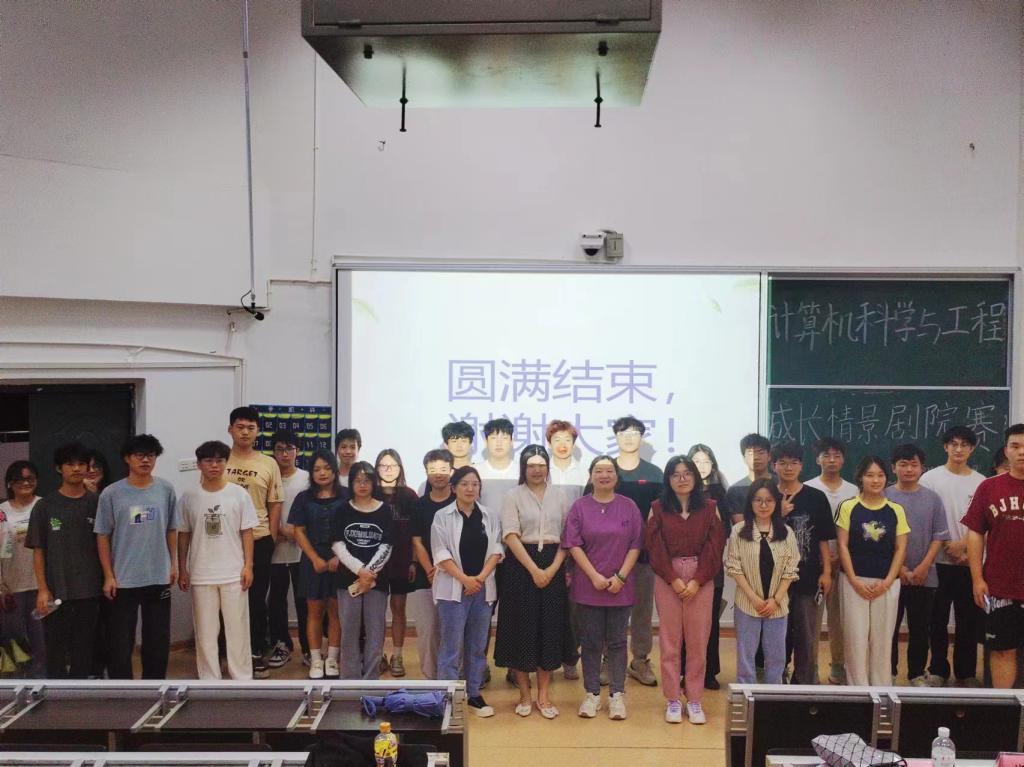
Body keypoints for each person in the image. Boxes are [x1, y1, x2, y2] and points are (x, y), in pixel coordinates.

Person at [494, 445, 575, 719]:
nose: (537, 470)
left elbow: (567, 537)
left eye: (541, 465)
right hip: (520, 565)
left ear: (548, 467)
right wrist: (533, 570)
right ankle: (524, 694)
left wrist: (551, 570)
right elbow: (510, 535)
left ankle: (544, 695)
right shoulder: (512, 495)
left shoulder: (561, 496)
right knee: (522, 628)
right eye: (531, 465)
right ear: (523, 468)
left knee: (549, 629)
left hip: (553, 563)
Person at [563, 456, 643, 721]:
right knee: (590, 642)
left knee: (618, 642)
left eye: (609, 471)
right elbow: (573, 544)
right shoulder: (579, 507)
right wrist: (594, 576)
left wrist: (620, 577)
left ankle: (617, 695)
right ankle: (592, 694)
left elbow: (635, 545)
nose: (604, 475)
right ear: (591, 475)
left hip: (621, 587)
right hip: (589, 587)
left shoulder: (629, 506)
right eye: (599, 471)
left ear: (617, 476)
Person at [646, 455, 725, 725]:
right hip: (667, 577)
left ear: (696, 477)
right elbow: (654, 548)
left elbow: (715, 547)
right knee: (670, 642)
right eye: (676, 474)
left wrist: (697, 580)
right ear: (668, 479)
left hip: (701, 578)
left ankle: (694, 699)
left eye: (687, 473)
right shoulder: (657, 508)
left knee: (698, 642)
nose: (682, 479)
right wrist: (673, 578)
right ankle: (672, 699)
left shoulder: (711, 507)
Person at [95, 434, 178, 679]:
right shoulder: (111, 493)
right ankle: (123, 690)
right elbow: (102, 535)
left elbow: (171, 529)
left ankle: (154, 687)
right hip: (123, 579)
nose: (145, 460)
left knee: (157, 640)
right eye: (139, 455)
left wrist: (173, 564)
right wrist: (108, 575)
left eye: (151, 455)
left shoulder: (165, 489)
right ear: (127, 458)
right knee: (120, 642)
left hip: (157, 576)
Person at [176, 440, 256, 680]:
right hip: (201, 573)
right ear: (199, 464)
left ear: (226, 463)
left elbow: (247, 532)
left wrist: (248, 565)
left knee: (238, 630)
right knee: (206, 632)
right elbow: (183, 534)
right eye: (208, 461)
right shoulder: (189, 497)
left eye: (219, 460)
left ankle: (242, 677)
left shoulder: (239, 494)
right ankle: (209, 679)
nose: (214, 465)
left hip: (234, 573)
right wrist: (183, 568)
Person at [26, 442, 104, 678]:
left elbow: (107, 545)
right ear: (59, 468)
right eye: (70, 464)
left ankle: (80, 693)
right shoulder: (44, 506)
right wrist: (42, 589)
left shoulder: (97, 503)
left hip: (90, 590)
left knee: (84, 649)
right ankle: (56, 694)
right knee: (55, 650)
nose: (77, 468)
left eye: (81, 464)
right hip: (56, 591)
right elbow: (38, 550)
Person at [432, 466, 503, 718]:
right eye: (464, 484)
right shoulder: (442, 516)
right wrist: (465, 580)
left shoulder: (489, 516)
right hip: (453, 590)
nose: (470, 488)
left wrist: (479, 579)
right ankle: (447, 697)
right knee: (451, 647)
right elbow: (440, 553)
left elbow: (497, 550)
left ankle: (473, 693)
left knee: (477, 646)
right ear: (453, 488)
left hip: (482, 590)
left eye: (475, 484)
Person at [920, 425, 985, 686]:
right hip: (937, 561)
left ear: (972, 449)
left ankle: (966, 672)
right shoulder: (930, 479)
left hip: (970, 562)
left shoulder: (982, 482)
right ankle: (938, 669)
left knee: (968, 619)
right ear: (945, 447)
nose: (959, 449)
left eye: (964, 445)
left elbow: (983, 522)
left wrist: (964, 547)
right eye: (953, 444)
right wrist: (947, 544)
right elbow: (925, 518)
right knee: (936, 618)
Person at [836, 456, 909, 686]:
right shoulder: (848, 506)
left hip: (886, 583)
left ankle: (882, 688)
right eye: (869, 475)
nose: (875, 480)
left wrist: (888, 581)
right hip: (853, 582)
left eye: (880, 475)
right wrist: (854, 580)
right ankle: (857, 690)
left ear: (887, 478)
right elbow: (842, 546)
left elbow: (900, 548)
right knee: (855, 639)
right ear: (860, 478)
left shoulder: (896, 510)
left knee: (883, 640)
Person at [225, 405, 284, 679]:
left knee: (257, 599)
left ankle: (255, 651)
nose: (245, 432)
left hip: (259, 539)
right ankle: (228, 653)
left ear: (257, 431)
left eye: (251, 428)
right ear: (230, 429)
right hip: (225, 542)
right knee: (227, 599)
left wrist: (271, 536)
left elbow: (275, 502)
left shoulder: (268, 463)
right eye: (240, 427)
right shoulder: (219, 459)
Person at [963, 424, 1024, 689]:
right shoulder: (989, 487)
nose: (1021, 452)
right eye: (1015, 446)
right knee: (1002, 651)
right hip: (999, 586)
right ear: (1006, 451)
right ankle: (1004, 709)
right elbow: (975, 533)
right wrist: (977, 578)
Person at [885, 443, 949, 686]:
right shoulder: (884, 496)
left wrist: (924, 566)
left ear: (923, 468)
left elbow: (938, 537)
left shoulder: (932, 499)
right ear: (893, 468)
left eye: (914, 464)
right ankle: (888, 672)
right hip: (891, 576)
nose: (909, 469)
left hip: (925, 575)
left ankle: (916, 673)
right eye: (903, 464)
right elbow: (882, 538)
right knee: (888, 628)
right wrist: (899, 568)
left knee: (920, 629)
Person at [771, 441, 834, 685]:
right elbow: (756, 531)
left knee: (806, 633)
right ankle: (776, 679)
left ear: (801, 466)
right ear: (774, 466)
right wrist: (778, 514)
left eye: (794, 463)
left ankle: (805, 682)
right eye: (783, 463)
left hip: (808, 576)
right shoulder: (766, 496)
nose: (788, 468)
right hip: (773, 579)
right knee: (778, 633)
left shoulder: (816, 497)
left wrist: (826, 572)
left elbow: (823, 539)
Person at [727, 479, 800, 685]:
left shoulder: (786, 532)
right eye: (758, 500)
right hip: (747, 603)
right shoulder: (739, 531)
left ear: (776, 503)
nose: (763, 505)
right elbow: (734, 567)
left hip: (777, 605)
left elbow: (791, 570)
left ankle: (774, 694)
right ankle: (746, 693)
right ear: (750, 503)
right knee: (746, 655)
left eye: (769, 500)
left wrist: (775, 600)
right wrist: (754, 599)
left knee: (777, 656)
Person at [611, 415, 662, 688]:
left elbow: (662, 515)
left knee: (642, 611)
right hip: (608, 557)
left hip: (644, 556)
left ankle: (639, 660)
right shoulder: (605, 470)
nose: (629, 438)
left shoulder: (655, 474)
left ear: (641, 438)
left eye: (634, 433)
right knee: (609, 611)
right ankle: (608, 660)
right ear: (616, 437)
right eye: (623, 433)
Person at [290, 450, 349, 680]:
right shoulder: (303, 498)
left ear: (334, 470)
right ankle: (316, 660)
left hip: (341, 559)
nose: (322, 473)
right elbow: (298, 530)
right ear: (311, 473)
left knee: (336, 611)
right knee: (313, 611)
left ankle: (332, 659)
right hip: (312, 560)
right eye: (316, 469)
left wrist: (339, 557)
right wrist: (314, 558)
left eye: (326, 468)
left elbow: (352, 529)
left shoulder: (347, 496)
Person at [332, 461, 394, 680]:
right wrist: (360, 571)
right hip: (347, 581)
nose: (362, 485)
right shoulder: (342, 509)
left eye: (367, 480)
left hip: (377, 581)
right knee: (349, 632)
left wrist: (369, 572)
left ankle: (370, 681)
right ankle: (349, 682)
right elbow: (337, 544)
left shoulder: (384, 510)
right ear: (351, 483)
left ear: (374, 483)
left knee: (375, 633)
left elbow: (387, 545)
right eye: (358, 480)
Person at [804, 437, 858, 685]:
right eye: (826, 455)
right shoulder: (807, 488)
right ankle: (810, 667)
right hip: (814, 566)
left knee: (840, 621)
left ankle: (838, 666)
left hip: (845, 566)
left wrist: (839, 558)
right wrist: (825, 559)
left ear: (844, 459)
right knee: (811, 623)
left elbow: (858, 529)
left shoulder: (854, 490)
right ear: (817, 459)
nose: (832, 460)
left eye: (837, 455)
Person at [684, 443, 730, 690]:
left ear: (713, 465)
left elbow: (726, 530)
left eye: (706, 461)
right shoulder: (680, 491)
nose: (701, 466)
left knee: (710, 622)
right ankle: (686, 672)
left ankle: (709, 671)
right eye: (696, 461)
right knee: (685, 623)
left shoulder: (720, 492)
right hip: (683, 566)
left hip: (712, 564)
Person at [409, 449, 454, 679]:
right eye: (433, 469)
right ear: (426, 472)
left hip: (454, 576)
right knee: (427, 631)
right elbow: (416, 541)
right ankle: (430, 678)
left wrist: (445, 569)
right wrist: (430, 570)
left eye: (443, 469)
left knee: (451, 631)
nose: (438, 474)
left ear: (452, 471)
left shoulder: (459, 502)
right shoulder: (419, 505)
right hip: (425, 576)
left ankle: (451, 679)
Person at [267, 430, 310, 669]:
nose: (285, 454)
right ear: (273, 452)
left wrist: (297, 533)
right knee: (276, 601)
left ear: (298, 451)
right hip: (274, 550)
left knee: (304, 601)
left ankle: (309, 648)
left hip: (302, 551)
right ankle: (281, 644)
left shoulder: (307, 478)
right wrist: (280, 531)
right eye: (280, 449)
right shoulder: (267, 476)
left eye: (289, 449)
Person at [375, 449, 419, 677]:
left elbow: (416, 532)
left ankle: (398, 655)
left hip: (402, 560)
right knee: (376, 611)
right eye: (383, 466)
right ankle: (377, 655)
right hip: (375, 564)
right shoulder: (370, 493)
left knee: (399, 608)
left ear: (400, 468)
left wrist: (414, 561)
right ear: (376, 468)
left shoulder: (409, 496)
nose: (388, 470)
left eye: (393, 465)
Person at [0, 461, 45, 676]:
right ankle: (16, 686)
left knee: (41, 641)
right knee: (16, 643)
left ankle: (41, 683)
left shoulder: (44, 506)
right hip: (11, 588)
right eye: (19, 479)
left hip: (41, 587)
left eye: (30, 479)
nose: (26, 483)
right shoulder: (2, 511)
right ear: (10, 483)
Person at [725, 433, 773, 524]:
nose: (756, 457)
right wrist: (779, 514)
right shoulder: (735, 490)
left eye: (760, 452)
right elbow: (741, 525)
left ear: (769, 456)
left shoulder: (780, 484)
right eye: (750, 453)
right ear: (744, 458)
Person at [475, 418, 518, 512]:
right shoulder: (475, 471)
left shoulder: (521, 471)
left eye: (504, 438)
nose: (499, 443)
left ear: (511, 442)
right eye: (493, 438)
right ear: (486, 442)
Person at [547, 420, 589, 491]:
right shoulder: (543, 472)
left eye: (567, 440)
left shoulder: (584, 473)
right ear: (549, 444)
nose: (562, 445)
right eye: (557, 440)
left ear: (573, 444)